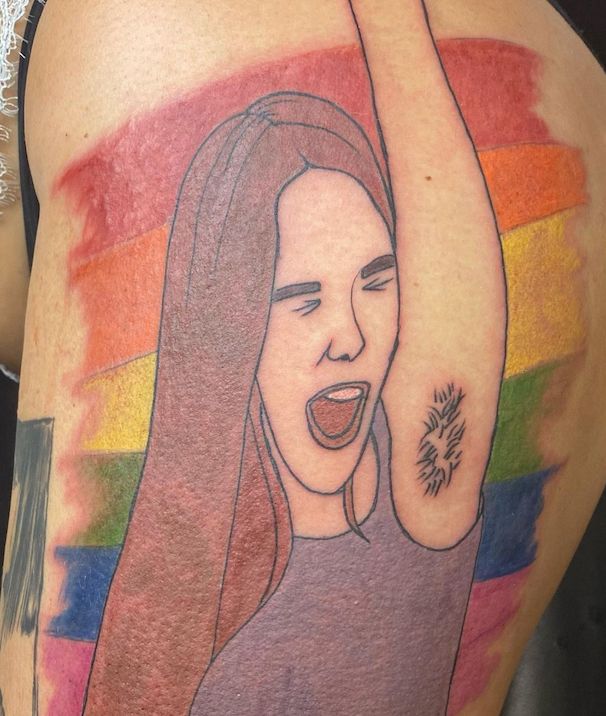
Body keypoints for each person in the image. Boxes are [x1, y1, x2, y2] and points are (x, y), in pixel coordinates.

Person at [0, 1, 604, 715]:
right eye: (301, 299)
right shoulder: (174, 576)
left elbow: (455, 295)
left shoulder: (417, 501)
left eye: (376, 283)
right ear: (229, 328)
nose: (349, 336)